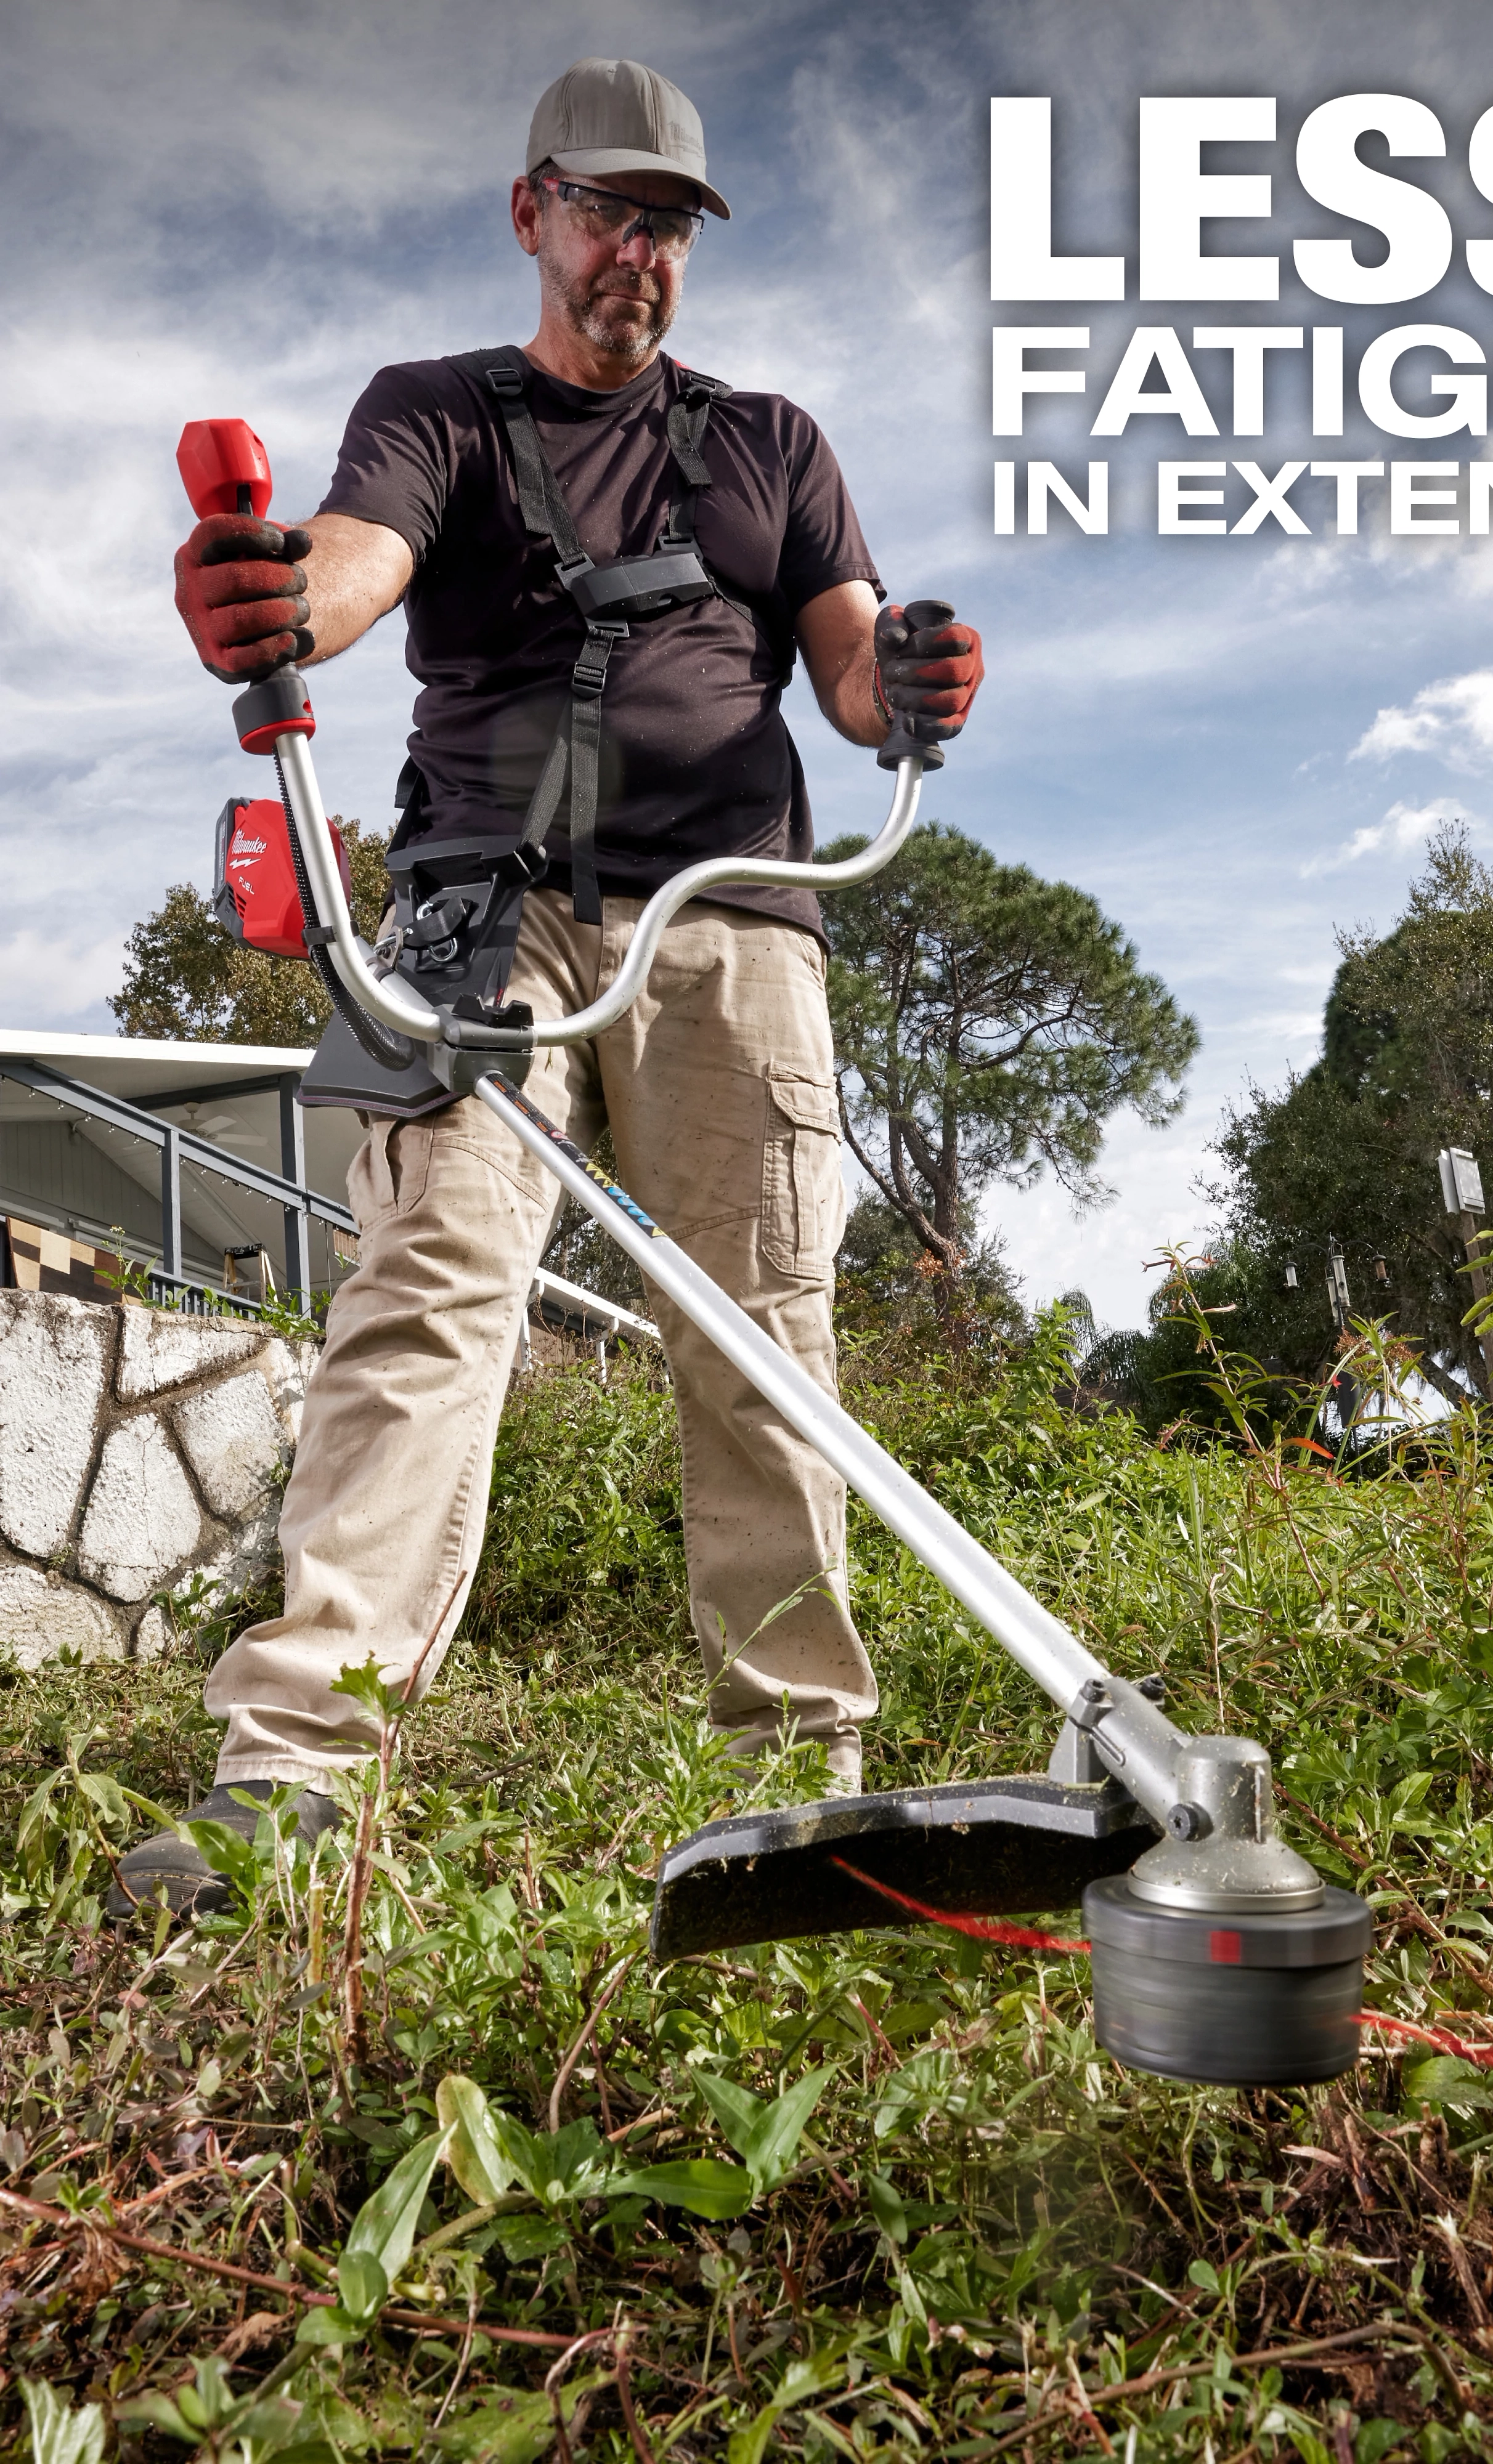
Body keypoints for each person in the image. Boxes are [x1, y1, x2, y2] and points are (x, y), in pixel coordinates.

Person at [120, 57, 982, 1916]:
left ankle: (802, 1778)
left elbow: (848, 660)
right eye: (606, 212)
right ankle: (294, 1778)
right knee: (426, 1306)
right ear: (533, 213)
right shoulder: (433, 410)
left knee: (762, 1323)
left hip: (732, 919)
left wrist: (911, 681)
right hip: (480, 916)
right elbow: (358, 563)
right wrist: (276, 597)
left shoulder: (774, 444)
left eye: (667, 224)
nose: (638, 256)